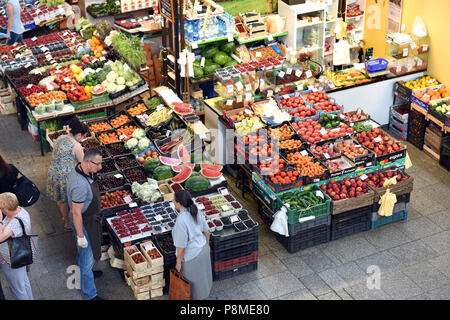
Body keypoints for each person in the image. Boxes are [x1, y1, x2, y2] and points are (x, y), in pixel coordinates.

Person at [66, 148, 104, 300]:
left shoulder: (80, 169)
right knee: (86, 254)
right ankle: (90, 295)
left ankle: (85, 271)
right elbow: (76, 213)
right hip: (84, 223)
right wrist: (81, 235)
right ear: (88, 163)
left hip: (88, 219)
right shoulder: (80, 185)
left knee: (84, 254)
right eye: (97, 164)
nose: (100, 167)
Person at [47, 118, 88, 231]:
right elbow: (83, 164)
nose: (83, 139)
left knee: (59, 198)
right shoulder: (77, 146)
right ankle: (67, 223)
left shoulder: (61, 137)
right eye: (83, 136)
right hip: (66, 178)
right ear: (79, 134)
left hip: (54, 172)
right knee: (65, 201)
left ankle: (64, 218)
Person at [172, 190, 212, 300]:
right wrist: (207, 246)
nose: (173, 201)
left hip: (192, 256)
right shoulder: (196, 210)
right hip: (203, 249)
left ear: (179, 203)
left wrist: (178, 262)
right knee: (204, 279)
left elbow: (182, 246)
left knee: (194, 287)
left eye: (174, 200)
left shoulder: (181, 221)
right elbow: (207, 231)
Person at [0, 192, 33, 300]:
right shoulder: (20, 210)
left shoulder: (15, 223)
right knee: (24, 282)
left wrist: (0, 221)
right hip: (21, 252)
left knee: (18, 288)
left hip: (12, 257)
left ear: (6, 209)